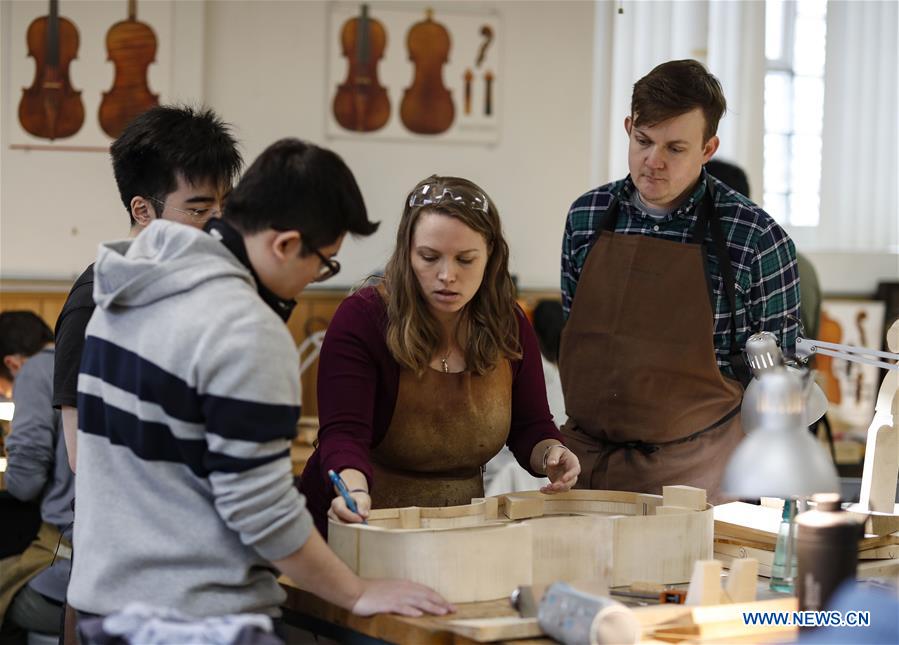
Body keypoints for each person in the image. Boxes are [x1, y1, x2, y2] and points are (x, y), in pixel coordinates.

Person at [67, 140, 454, 629]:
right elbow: (262, 512)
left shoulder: (128, 285)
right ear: (285, 244)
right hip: (191, 618)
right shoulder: (244, 327)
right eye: (324, 262)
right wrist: (356, 591)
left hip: (104, 604)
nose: (317, 277)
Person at [559, 60, 800, 502]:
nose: (652, 162)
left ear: (708, 149)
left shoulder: (755, 239)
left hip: (696, 478)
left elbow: (778, 377)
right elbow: (582, 340)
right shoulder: (586, 218)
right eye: (643, 141)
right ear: (629, 126)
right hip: (585, 468)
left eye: (675, 148)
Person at [300, 175, 581, 536]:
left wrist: (551, 455)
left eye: (465, 260)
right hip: (358, 520)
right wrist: (354, 491)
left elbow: (530, 426)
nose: (447, 275)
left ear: (491, 255)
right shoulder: (364, 318)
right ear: (406, 252)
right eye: (429, 257)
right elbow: (343, 435)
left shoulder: (507, 322)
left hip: (458, 526)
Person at [52, 105, 243, 473]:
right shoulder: (93, 304)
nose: (218, 225)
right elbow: (84, 457)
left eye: (224, 206)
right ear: (142, 210)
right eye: (199, 210)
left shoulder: (202, 288)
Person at [0, 312, 72, 643]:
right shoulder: (82, 358)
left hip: (68, 569)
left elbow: (25, 482)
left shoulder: (35, 371)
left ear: (12, 363)